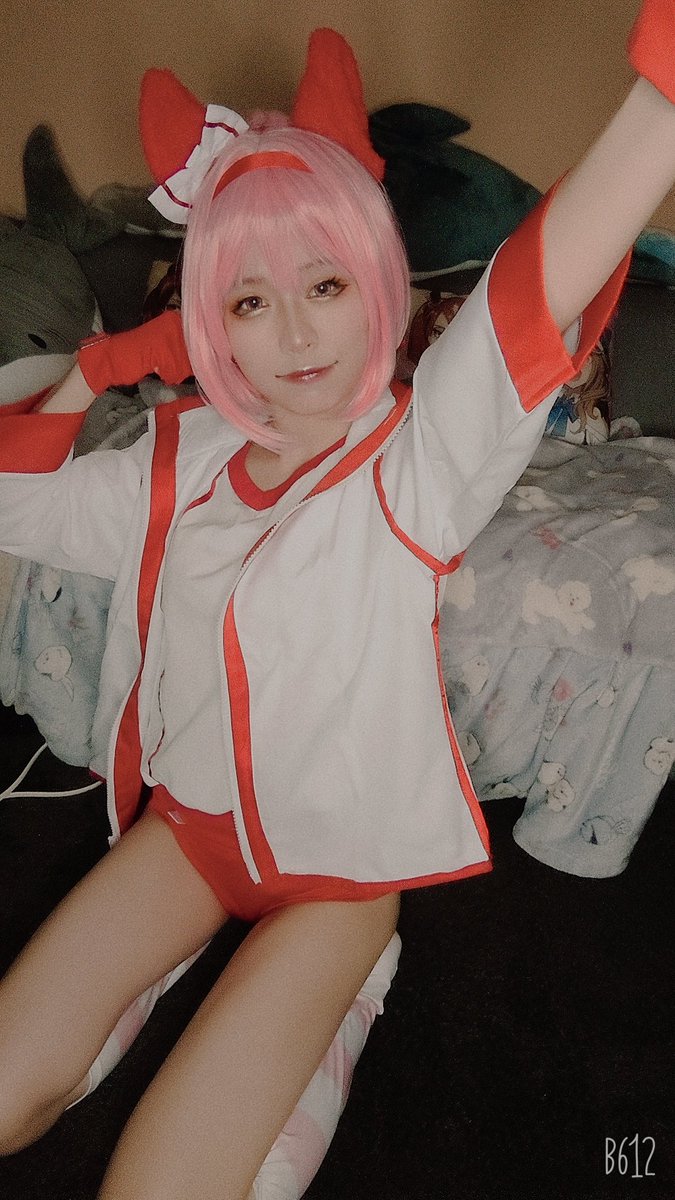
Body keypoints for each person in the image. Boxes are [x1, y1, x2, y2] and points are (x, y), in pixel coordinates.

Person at [0, 6, 674, 1198]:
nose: (298, 333)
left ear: (375, 284)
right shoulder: (180, 460)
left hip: (342, 883)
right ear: (212, 320)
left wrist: (661, 96)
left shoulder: (421, 457)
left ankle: (348, 994)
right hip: (185, 838)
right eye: (249, 301)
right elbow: (16, 501)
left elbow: (534, 286)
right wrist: (100, 367)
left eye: (324, 282)